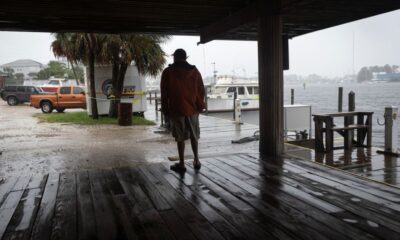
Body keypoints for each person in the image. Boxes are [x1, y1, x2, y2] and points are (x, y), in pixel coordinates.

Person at [160, 48, 205, 173]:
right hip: (192, 109)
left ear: (174, 57)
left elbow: (164, 93)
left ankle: (182, 163)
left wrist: (165, 109)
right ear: (185, 58)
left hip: (176, 108)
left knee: (180, 137)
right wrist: (199, 104)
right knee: (194, 135)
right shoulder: (195, 71)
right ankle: (196, 160)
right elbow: (201, 90)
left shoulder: (168, 72)